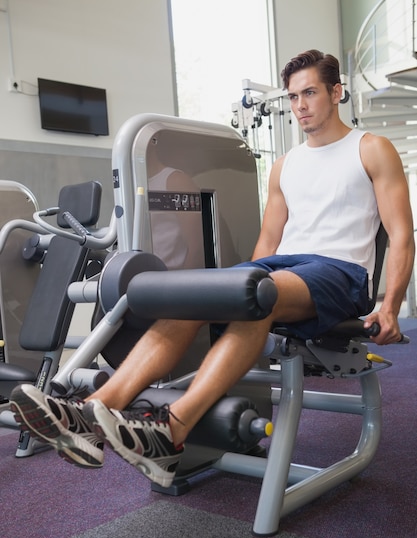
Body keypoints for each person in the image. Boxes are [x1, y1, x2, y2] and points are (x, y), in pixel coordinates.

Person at [10, 49, 415, 489]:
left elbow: (402, 234)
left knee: (257, 292)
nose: (300, 105)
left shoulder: (370, 148)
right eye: (294, 96)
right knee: (200, 299)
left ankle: (174, 427)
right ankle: (92, 414)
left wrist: (390, 305)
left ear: (336, 93)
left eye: (311, 93)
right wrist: (233, 281)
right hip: (280, 269)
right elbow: (268, 243)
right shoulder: (285, 166)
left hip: (341, 272)